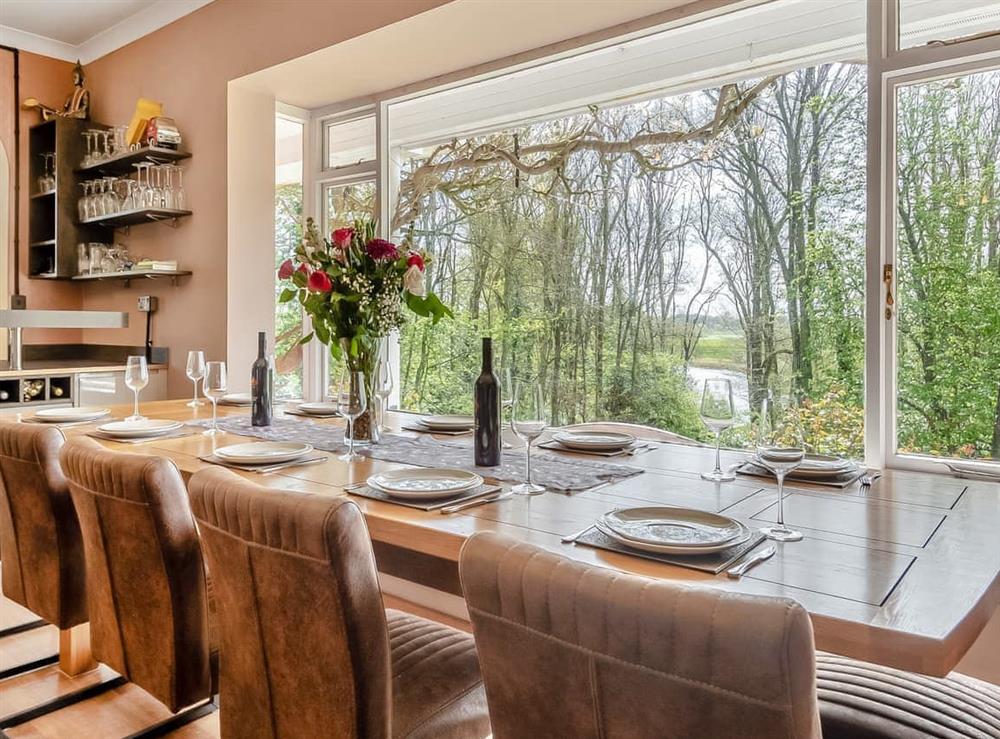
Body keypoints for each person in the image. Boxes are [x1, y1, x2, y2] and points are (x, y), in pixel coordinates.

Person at [22, 60, 90, 120]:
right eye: (73, 77)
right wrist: (58, 112)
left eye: (75, 77)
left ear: (81, 78)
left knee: (81, 114)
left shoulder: (84, 92)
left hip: (76, 115)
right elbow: (64, 111)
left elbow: (84, 109)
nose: (73, 79)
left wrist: (71, 113)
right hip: (68, 117)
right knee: (54, 116)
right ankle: (39, 106)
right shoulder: (70, 96)